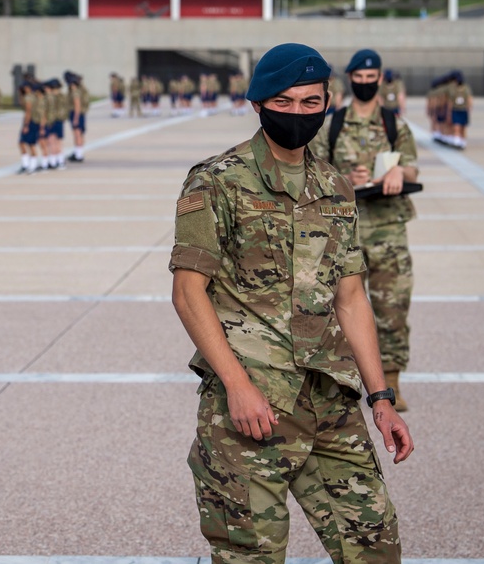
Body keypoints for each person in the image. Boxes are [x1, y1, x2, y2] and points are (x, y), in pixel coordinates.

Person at [170, 42, 412, 564]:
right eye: (284, 102)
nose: (298, 114)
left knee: (376, 550)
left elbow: (351, 298)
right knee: (251, 557)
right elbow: (188, 293)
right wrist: (236, 386)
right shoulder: (216, 180)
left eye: (310, 102)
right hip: (250, 408)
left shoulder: (335, 187)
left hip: (329, 402)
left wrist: (381, 398)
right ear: (257, 103)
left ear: (327, 102)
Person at [310, 48, 419, 412]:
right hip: (345, 230)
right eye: (360, 78)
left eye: (372, 79)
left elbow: (413, 169)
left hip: (388, 229)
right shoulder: (333, 123)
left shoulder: (394, 124)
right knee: (338, 308)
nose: (366, 84)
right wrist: (346, 180)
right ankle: (346, 381)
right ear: (351, 78)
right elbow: (313, 170)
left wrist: (397, 173)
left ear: (380, 79)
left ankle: (393, 380)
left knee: (392, 308)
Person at [445, 71, 472, 150]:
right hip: (456, 109)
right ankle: (458, 142)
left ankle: (462, 142)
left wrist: (469, 107)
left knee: (462, 127)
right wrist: (449, 111)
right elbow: (450, 101)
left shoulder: (465, 88)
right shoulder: (453, 89)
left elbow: (469, 99)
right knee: (457, 126)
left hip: (462, 109)